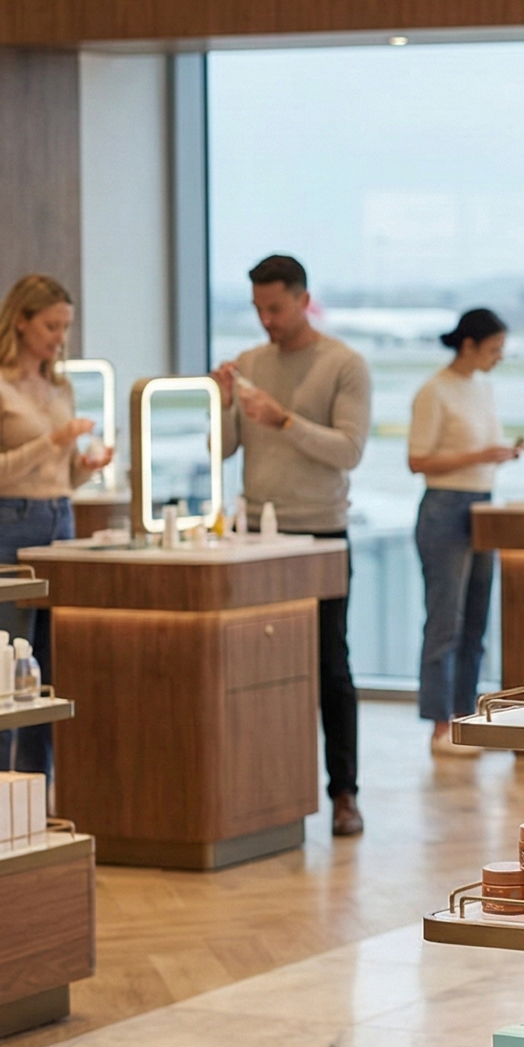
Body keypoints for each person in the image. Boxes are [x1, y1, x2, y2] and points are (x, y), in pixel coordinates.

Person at [212, 253, 371, 837]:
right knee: (258, 665)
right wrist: (221, 403)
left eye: (275, 308)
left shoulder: (344, 364)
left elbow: (349, 450)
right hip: (256, 534)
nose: (266, 321)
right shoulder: (250, 362)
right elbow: (225, 448)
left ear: (304, 300)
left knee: (331, 665)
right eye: (257, 309)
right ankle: (268, 793)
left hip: (322, 532)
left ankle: (345, 793)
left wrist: (282, 420)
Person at [0, 274, 111, 779]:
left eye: (65, 326)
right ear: (20, 322)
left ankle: (32, 797)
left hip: (57, 519)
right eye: (51, 325)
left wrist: (85, 467)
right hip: (6, 525)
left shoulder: (57, 386)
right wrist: (51, 442)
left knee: (46, 675)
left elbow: (59, 477)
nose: (60, 337)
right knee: (2, 672)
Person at [410, 308, 523, 751]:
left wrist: (499, 455)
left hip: (482, 507)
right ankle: (440, 722)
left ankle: (466, 716)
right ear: (469, 345)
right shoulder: (434, 391)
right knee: (445, 622)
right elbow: (418, 461)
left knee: (476, 620)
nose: (498, 358)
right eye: (494, 349)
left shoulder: (482, 389)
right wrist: (480, 456)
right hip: (445, 506)